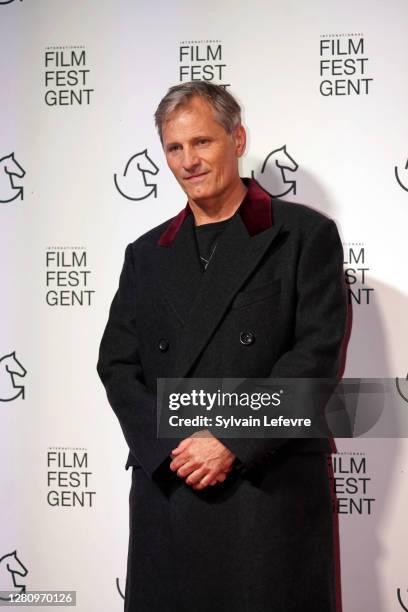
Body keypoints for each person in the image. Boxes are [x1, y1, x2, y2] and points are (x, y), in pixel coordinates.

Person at [97, 81, 348, 612]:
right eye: (174, 148)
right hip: (169, 487)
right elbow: (118, 365)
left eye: (202, 142)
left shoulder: (302, 235)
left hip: (265, 491)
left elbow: (313, 360)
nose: (188, 161)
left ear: (237, 139)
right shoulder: (145, 254)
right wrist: (170, 452)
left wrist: (230, 438)